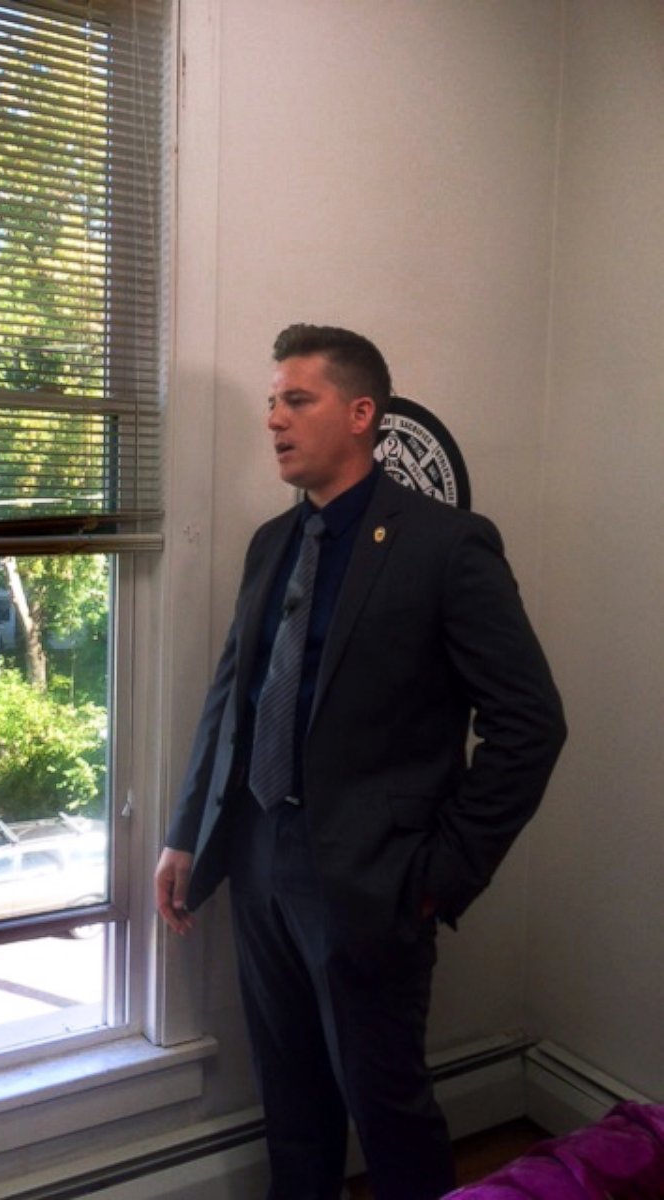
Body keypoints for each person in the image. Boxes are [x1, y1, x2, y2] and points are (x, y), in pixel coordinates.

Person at [154, 324, 566, 1200]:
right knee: (291, 1102)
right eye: (272, 401)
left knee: (385, 1107)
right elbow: (232, 698)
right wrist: (188, 832)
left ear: (360, 413)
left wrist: (439, 875)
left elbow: (531, 724)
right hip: (260, 856)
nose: (274, 419)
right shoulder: (272, 544)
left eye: (296, 400)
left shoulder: (446, 545)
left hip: (372, 880)